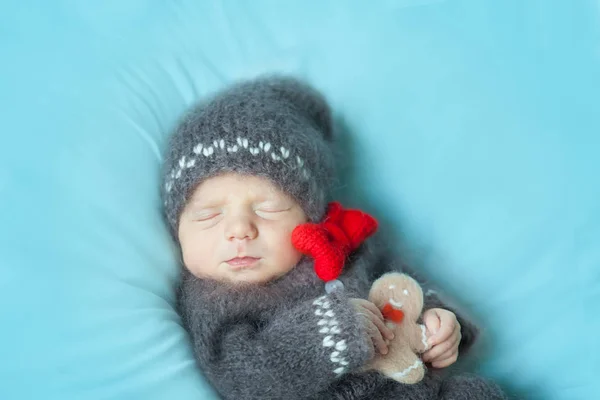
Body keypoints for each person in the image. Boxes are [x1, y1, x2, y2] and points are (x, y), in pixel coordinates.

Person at [161, 75, 507, 399]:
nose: (239, 230)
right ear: (178, 228)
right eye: (208, 214)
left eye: (268, 209)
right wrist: (330, 333)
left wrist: (441, 324)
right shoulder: (213, 301)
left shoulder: (350, 248)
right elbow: (242, 376)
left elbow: (405, 284)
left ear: (311, 214)